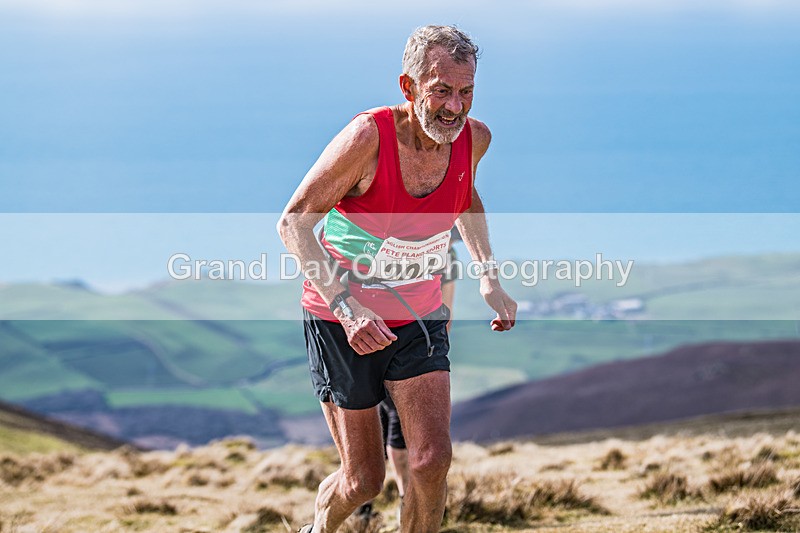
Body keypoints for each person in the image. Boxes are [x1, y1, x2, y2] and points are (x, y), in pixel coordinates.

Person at [277, 24, 517, 533]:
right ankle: (320, 526)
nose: (456, 107)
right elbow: (293, 222)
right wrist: (344, 304)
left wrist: (487, 275)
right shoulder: (368, 138)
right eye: (442, 91)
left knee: (431, 462)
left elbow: (465, 197)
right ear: (408, 87)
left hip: (418, 313)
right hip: (341, 319)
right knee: (364, 481)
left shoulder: (473, 139)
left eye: (467, 91)